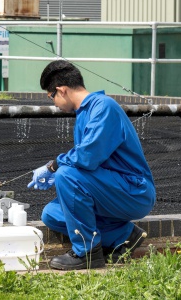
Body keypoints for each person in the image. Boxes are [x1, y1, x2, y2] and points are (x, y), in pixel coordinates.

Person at [29, 60, 155, 270]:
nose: (54, 103)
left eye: (52, 97)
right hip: (113, 189)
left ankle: (87, 252)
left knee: (66, 175)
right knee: (51, 214)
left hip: (134, 191)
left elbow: (87, 157)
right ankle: (123, 236)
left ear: (62, 91)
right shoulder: (85, 113)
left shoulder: (103, 107)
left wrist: (54, 166)